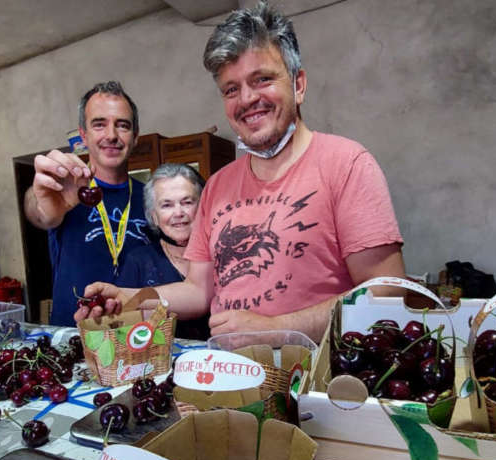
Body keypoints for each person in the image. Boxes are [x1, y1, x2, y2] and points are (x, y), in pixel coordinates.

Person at [76, 2, 405, 341]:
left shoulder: (346, 164)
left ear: (299, 85)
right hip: (225, 379)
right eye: (231, 89)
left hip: (308, 385)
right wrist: (129, 297)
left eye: (262, 79)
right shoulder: (217, 186)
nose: (246, 99)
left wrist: (274, 327)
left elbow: (387, 295)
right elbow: (198, 292)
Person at [23, 81, 150, 326]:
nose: (111, 135)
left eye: (122, 125)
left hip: (135, 336)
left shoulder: (153, 199)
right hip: (74, 336)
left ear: (135, 137)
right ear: (84, 135)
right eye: (99, 124)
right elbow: (39, 212)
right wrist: (42, 202)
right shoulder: (66, 191)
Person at [116, 163, 211, 341]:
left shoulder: (222, 252)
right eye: (167, 205)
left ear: (203, 207)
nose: (178, 213)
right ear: (154, 216)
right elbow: (122, 327)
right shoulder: (138, 260)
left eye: (187, 202)